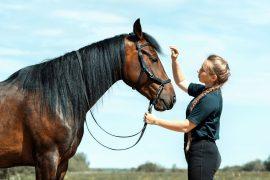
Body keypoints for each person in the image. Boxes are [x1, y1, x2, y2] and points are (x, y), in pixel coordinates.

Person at [144, 46, 230, 180]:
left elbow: (186, 126)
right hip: (200, 152)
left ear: (213, 77)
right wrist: (175, 60)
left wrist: (156, 121)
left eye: (203, 69)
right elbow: (181, 81)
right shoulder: (205, 91)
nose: (198, 70)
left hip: (203, 154)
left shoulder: (210, 98)